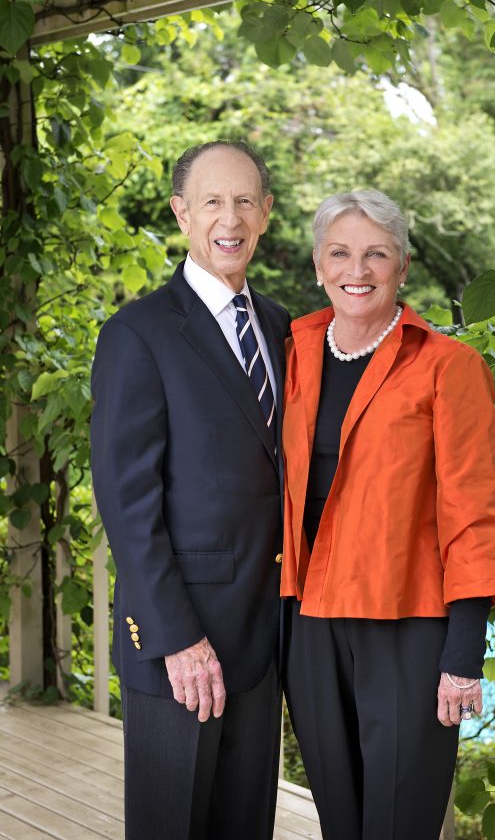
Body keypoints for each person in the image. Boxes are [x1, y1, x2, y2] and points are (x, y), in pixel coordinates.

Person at [280, 190, 495, 840]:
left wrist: (464, 651)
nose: (359, 269)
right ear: (320, 263)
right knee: (341, 819)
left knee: (398, 821)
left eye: (376, 253)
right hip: (311, 621)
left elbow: (478, 512)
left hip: (409, 624)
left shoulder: (449, 365)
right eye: (342, 253)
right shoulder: (294, 350)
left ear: (402, 266)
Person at [90, 140, 290, 840]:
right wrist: (178, 638)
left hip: (264, 639)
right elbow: (127, 503)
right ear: (182, 214)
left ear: (266, 214)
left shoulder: (279, 326)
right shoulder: (137, 334)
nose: (228, 219)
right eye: (211, 201)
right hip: (183, 646)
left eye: (244, 201)